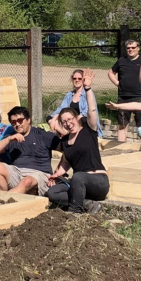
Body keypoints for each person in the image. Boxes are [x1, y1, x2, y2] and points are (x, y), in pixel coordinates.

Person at [46, 69, 108, 214]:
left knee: (78, 176)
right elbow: (66, 162)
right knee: (53, 192)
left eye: (70, 119)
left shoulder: (88, 131)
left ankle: (75, 213)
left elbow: (92, 110)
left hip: (98, 181)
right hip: (79, 184)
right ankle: (87, 204)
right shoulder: (66, 141)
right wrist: (56, 175)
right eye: (64, 122)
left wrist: (88, 89)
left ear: (76, 118)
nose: (68, 123)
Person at [0, 107, 60, 196]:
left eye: (20, 120)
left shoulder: (42, 135)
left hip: (39, 174)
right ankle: (4, 196)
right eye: (13, 122)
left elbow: (66, 150)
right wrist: (9, 139)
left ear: (28, 120)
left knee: (26, 181)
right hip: (17, 172)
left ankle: (5, 201)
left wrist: (57, 172)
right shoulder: (11, 138)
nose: (17, 124)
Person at [47, 69, 103, 137]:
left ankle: (66, 133)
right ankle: (66, 133)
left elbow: (86, 112)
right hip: (70, 121)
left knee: (83, 120)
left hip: (81, 121)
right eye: (74, 78)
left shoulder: (87, 94)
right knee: (49, 118)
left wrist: (72, 120)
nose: (77, 80)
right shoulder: (69, 95)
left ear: (83, 80)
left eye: (79, 78)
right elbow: (62, 109)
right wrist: (53, 120)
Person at [108, 39, 141, 142]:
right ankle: (121, 147)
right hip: (124, 96)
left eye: (133, 47)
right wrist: (117, 83)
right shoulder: (121, 61)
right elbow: (111, 72)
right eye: (128, 48)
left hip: (140, 96)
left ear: (138, 48)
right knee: (122, 124)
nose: (130, 50)